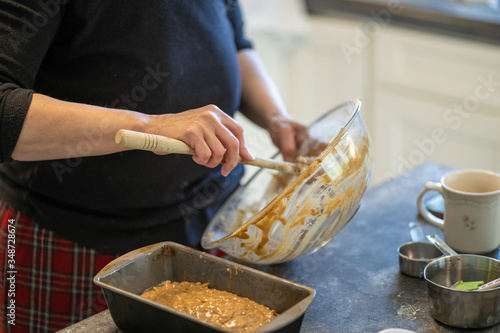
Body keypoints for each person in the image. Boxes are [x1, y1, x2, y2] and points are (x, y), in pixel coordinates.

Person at [0, 0, 306, 332]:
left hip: (213, 230)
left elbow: (236, 43)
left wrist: (276, 117)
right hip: (72, 239)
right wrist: (152, 125)